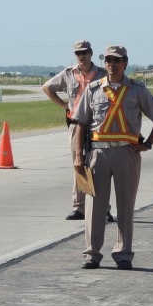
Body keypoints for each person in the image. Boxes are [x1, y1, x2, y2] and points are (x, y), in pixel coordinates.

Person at [72, 45, 153, 270]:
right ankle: (92, 253)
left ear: (125, 62)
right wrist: (79, 156)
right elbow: (81, 123)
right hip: (98, 153)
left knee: (126, 204)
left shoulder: (137, 90)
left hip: (127, 152)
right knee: (94, 205)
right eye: (108, 60)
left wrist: (148, 144)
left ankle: (123, 253)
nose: (112, 65)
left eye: (117, 60)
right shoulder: (94, 89)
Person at [42, 40, 113, 223]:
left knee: (100, 167)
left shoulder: (102, 74)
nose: (82, 56)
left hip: (97, 124)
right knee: (78, 164)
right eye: (78, 53)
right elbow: (47, 87)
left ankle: (103, 208)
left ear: (91, 53)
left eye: (85, 52)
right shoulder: (69, 74)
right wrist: (64, 105)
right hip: (76, 124)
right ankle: (79, 207)